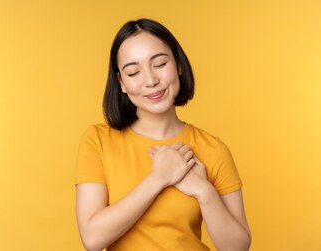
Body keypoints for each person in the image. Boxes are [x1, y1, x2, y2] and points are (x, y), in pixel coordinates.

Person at [74, 18, 251, 251]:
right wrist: (160, 177)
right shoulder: (98, 140)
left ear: (178, 65)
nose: (150, 80)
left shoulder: (213, 149)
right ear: (122, 83)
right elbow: (93, 238)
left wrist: (203, 190)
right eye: (134, 72)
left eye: (159, 64)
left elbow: (237, 247)